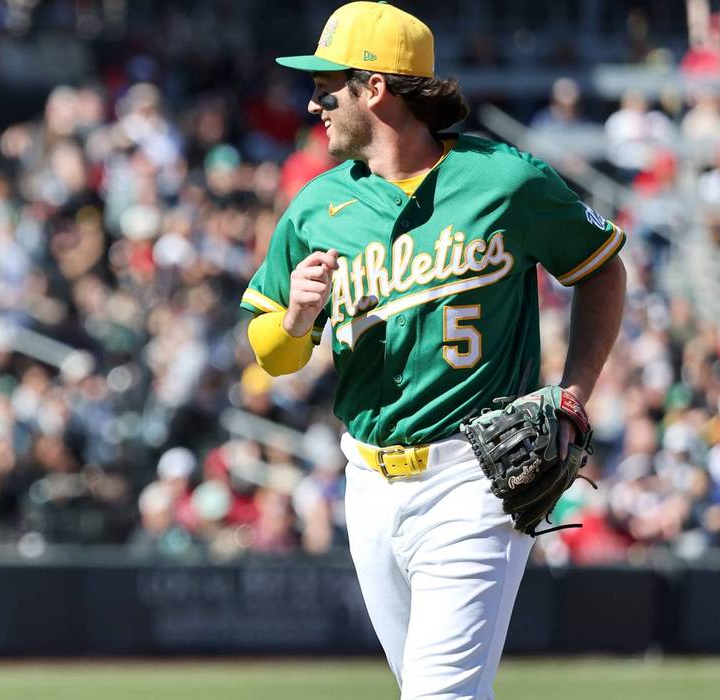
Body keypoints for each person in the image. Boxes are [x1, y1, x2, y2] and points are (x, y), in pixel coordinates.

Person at [241, 3, 626, 698]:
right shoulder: (314, 206)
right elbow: (273, 356)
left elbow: (599, 266)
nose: (313, 101)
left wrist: (572, 391)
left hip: (473, 476)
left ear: (375, 88)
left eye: (329, 85)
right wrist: (297, 319)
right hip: (365, 480)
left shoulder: (503, 180)